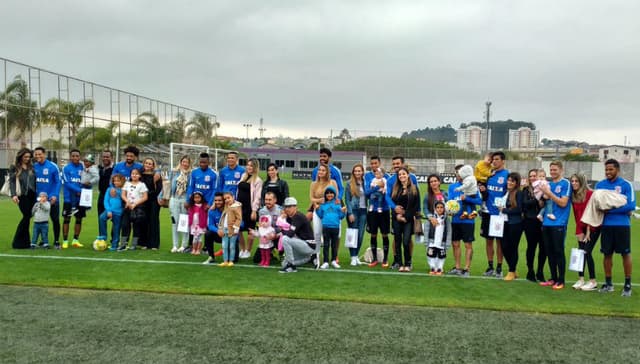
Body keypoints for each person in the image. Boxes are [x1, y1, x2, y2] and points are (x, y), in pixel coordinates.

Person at [595, 159, 635, 297]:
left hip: (622, 225)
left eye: (611, 169)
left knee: (625, 253)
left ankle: (628, 284)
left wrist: (609, 210)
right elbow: (597, 205)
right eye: (606, 170)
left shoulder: (626, 185)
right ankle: (608, 283)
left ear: (617, 170)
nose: (608, 172)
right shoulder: (600, 185)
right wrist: (616, 208)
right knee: (607, 254)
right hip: (606, 226)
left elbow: (630, 206)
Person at [538, 160, 571, 290]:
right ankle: (553, 278)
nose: (552, 172)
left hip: (559, 222)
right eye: (551, 170)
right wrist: (542, 196)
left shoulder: (565, 183)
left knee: (558, 251)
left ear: (561, 170)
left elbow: (563, 203)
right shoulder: (549, 183)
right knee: (549, 251)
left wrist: (549, 193)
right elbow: (542, 205)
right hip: (546, 222)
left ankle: (561, 280)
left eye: (555, 170)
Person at [385, 156, 419, 270]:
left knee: (408, 239)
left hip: (409, 216)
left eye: (398, 163)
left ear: (403, 164)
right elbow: (388, 197)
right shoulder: (391, 180)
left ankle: (409, 261)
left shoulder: (413, 178)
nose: (395, 166)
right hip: (396, 215)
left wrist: (414, 215)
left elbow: (416, 198)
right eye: (393, 164)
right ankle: (397, 261)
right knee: (396, 238)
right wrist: (395, 208)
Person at [478, 151, 508, 278]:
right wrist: (482, 189)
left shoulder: (507, 175)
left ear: (502, 161)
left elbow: (510, 192)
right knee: (488, 241)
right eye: (492, 159)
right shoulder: (489, 174)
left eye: (496, 159)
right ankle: (490, 266)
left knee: (499, 242)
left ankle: (499, 268)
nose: (494, 161)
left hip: (499, 214)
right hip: (486, 211)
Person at [447, 166, 481, 277]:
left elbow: (479, 201)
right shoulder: (452, 187)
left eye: (460, 172)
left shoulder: (472, 184)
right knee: (455, 244)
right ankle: (457, 267)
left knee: (467, 244)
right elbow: (450, 202)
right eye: (457, 173)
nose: (458, 175)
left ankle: (466, 269)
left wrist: (466, 199)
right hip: (455, 220)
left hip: (468, 220)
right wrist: (450, 211)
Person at [570, 173, 599, 291]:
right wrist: (578, 230)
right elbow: (576, 215)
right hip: (581, 227)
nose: (574, 183)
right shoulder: (574, 196)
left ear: (582, 182)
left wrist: (588, 231)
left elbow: (592, 213)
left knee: (587, 252)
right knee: (580, 253)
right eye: (572, 181)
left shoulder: (590, 194)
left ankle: (593, 281)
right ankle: (581, 279)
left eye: (576, 181)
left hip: (592, 227)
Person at [364, 156, 391, 268]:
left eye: (376, 163)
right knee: (373, 234)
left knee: (384, 234)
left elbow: (388, 192)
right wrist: (377, 187)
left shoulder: (387, 176)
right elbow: (366, 192)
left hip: (384, 210)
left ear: (379, 163)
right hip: (372, 211)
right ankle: (374, 258)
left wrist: (382, 188)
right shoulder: (368, 176)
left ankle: (385, 259)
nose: (374, 165)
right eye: (372, 163)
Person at [33, 146, 62, 249]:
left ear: (44, 154)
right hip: (40, 200)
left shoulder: (52, 166)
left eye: (39, 154)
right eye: (36, 154)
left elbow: (58, 182)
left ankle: (57, 241)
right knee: (41, 221)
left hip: (52, 199)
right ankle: (43, 240)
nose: (38, 156)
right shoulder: (34, 166)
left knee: (55, 220)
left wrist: (55, 195)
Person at [279, 197, 317, 273]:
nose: (287, 209)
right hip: (303, 244)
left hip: (308, 245)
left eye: (289, 206)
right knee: (283, 264)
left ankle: (292, 266)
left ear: (295, 207)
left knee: (285, 239)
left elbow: (290, 234)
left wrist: (281, 230)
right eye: (286, 207)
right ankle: (310, 258)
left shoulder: (298, 217)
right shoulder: (290, 217)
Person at [522, 169, 547, 282]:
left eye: (534, 176)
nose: (532, 178)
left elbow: (547, 201)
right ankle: (530, 271)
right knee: (531, 247)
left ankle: (540, 271)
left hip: (543, 222)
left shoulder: (544, 187)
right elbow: (525, 203)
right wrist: (537, 200)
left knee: (543, 248)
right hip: (530, 222)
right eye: (530, 176)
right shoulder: (526, 190)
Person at [9, 148, 37, 249]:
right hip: (22, 195)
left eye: (29, 157)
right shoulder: (14, 167)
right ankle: (16, 242)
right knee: (26, 216)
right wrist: (13, 195)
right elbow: (11, 181)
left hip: (32, 195)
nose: (27, 158)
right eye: (25, 157)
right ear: (20, 157)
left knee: (28, 218)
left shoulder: (32, 166)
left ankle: (25, 243)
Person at [499, 172, 524, 281]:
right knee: (504, 247)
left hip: (515, 224)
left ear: (516, 183)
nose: (509, 182)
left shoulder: (519, 193)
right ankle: (513, 269)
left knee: (513, 248)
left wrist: (504, 210)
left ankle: (511, 270)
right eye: (508, 180)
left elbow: (519, 209)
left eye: (512, 181)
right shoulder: (505, 192)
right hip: (503, 223)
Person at [237, 158, 263, 259]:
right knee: (238, 229)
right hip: (240, 207)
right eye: (248, 165)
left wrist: (254, 210)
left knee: (250, 231)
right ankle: (242, 249)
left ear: (255, 167)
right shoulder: (243, 176)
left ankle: (248, 250)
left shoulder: (258, 180)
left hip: (250, 208)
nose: (249, 167)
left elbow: (257, 197)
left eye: (251, 165)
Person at [61, 149, 86, 248]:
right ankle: (65, 241)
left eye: (77, 156)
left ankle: (75, 240)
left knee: (79, 219)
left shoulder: (83, 167)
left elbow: (87, 179)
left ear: (80, 157)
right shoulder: (66, 168)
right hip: (69, 199)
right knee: (67, 219)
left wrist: (84, 191)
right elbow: (67, 183)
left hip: (81, 199)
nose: (75, 158)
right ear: (70, 157)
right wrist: (79, 191)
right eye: (73, 156)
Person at [316, 186, 346, 269]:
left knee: (334, 245)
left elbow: (340, 216)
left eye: (331, 193)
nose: (329, 195)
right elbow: (321, 215)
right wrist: (317, 209)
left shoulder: (337, 204)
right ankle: (325, 261)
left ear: (334, 194)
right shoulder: (323, 205)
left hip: (335, 227)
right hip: (326, 227)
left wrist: (343, 212)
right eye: (327, 193)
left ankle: (333, 260)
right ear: (325, 195)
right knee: (326, 244)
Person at [167, 155, 192, 253]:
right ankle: (175, 245)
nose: (185, 164)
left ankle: (184, 245)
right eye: (183, 162)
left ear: (189, 164)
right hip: (174, 198)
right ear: (180, 162)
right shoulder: (174, 172)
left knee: (184, 223)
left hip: (185, 199)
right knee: (175, 222)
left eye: (187, 162)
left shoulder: (191, 174)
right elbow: (168, 185)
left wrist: (189, 201)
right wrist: (162, 197)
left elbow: (191, 188)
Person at [308, 164, 338, 246]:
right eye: (319, 170)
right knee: (317, 232)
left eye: (323, 170)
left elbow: (336, 197)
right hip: (317, 209)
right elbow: (311, 198)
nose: (320, 172)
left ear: (327, 172)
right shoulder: (313, 184)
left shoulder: (332, 182)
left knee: (328, 233)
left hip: (330, 210)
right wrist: (320, 200)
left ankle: (330, 256)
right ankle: (317, 254)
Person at [119, 168, 148, 251]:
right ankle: (123, 244)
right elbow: (123, 195)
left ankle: (134, 244)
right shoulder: (127, 184)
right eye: (133, 173)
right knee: (125, 225)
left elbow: (145, 197)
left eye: (136, 174)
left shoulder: (142, 185)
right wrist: (127, 201)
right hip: (127, 207)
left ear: (139, 175)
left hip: (137, 208)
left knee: (136, 226)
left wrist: (135, 204)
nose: (134, 175)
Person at [345, 163, 367, 266]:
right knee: (353, 235)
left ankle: (356, 255)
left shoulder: (365, 183)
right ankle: (353, 257)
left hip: (363, 211)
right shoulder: (349, 183)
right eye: (356, 171)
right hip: (353, 211)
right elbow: (347, 200)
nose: (357, 172)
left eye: (359, 171)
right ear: (353, 172)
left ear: (362, 172)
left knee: (360, 235)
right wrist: (349, 213)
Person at [98, 174, 125, 251]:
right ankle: (103, 235)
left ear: (122, 181)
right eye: (114, 181)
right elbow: (106, 201)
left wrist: (118, 192)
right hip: (109, 210)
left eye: (118, 181)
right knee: (101, 218)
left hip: (118, 212)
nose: (116, 182)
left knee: (116, 228)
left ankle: (114, 245)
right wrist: (109, 210)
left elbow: (123, 198)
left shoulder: (123, 190)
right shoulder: (109, 189)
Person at [140, 157, 163, 250]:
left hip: (154, 201)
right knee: (144, 221)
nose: (148, 165)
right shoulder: (140, 175)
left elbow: (159, 189)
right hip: (143, 201)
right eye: (146, 163)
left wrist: (157, 198)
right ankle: (144, 243)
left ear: (153, 166)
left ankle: (154, 244)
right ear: (144, 164)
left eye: (150, 164)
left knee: (153, 221)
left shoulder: (156, 176)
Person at [424, 200, 451, 275]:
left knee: (441, 256)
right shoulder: (431, 218)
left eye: (441, 207)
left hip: (442, 242)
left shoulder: (446, 220)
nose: (439, 209)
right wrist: (426, 241)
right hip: (432, 241)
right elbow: (426, 230)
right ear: (435, 209)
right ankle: (432, 267)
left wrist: (448, 243)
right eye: (437, 207)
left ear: (444, 209)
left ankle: (440, 268)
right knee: (431, 255)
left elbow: (449, 231)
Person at [218, 191, 242, 267]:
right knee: (224, 245)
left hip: (232, 229)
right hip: (224, 228)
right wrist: (221, 227)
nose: (227, 200)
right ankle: (225, 261)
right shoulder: (226, 205)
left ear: (233, 197)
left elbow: (239, 218)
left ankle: (231, 261)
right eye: (225, 199)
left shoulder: (236, 206)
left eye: (228, 198)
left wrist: (236, 228)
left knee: (232, 246)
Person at [203, 192, 225, 264]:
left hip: (230, 236)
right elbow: (210, 225)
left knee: (234, 260)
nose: (217, 202)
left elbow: (241, 224)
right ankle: (211, 256)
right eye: (215, 200)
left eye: (220, 200)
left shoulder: (231, 210)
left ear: (224, 201)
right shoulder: (211, 211)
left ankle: (228, 252)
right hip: (219, 234)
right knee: (208, 233)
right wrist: (217, 230)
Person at [187, 191, 209, 256]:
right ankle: (194, 249)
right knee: (195, 237)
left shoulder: (204, 206)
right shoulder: (192, 206)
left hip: (201, 224)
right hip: (194, 225)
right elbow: (190, 215)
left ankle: (198, 250)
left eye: (198, 197)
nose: (197, 199)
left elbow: (205, 215)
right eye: (195, 198)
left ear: (201, 198)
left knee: (200, 237)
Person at [97, 149, 114, 217]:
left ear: (111, 158)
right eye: (104, 157)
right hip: (101, 196)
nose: (105, 158)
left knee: (115, 220)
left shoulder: (115, 169)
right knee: (100, 218)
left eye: (107, 157)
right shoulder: (100, 169)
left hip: (112, 196)